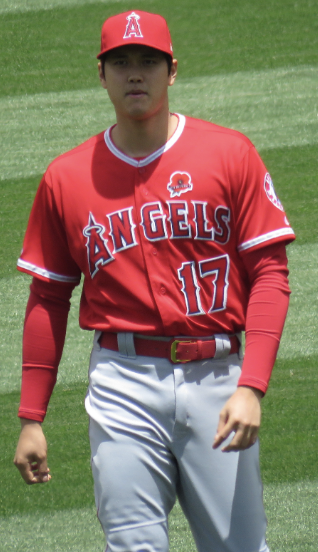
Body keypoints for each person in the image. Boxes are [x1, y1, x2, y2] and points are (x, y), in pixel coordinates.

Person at [13, 10, 295, 552]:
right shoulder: (66, 177)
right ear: (102, 75)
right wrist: (31, 417)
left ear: (172, 72)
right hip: (123, 381)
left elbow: (270, 276)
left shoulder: (229, 153)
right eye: (121, 62)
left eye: (149, 61)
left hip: (217, 378)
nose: (135, 74)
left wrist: (252, 385)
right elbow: (47, 297)